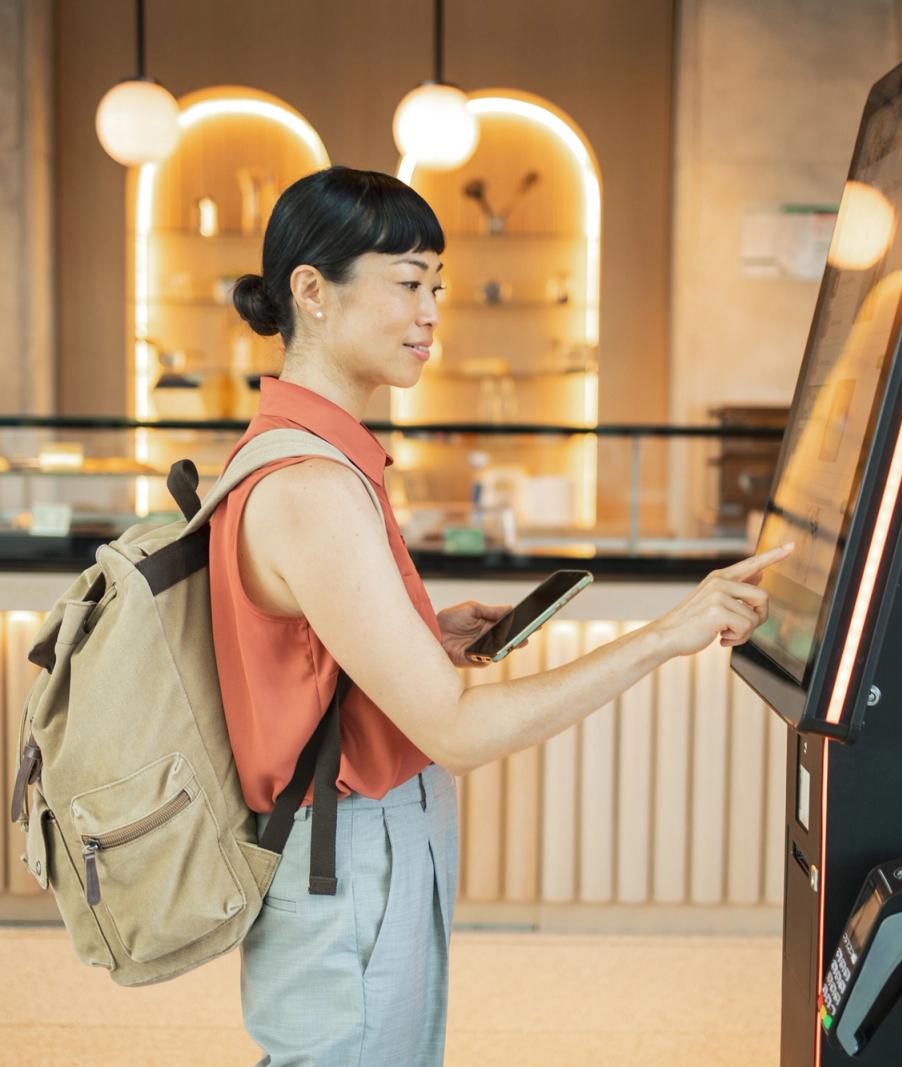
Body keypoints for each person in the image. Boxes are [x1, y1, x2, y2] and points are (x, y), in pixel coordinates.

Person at [212, 165, 793, 1066]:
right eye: (408, 283)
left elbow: (300, 649)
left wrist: (415, 639)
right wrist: (664, 636)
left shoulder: (306, 453)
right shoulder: (314, 484)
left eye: (437, 286)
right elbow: (458, 729)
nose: (433, 312)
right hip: (351, 847)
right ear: (312, 292)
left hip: (357, 839)